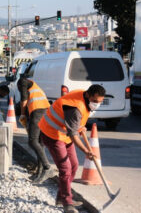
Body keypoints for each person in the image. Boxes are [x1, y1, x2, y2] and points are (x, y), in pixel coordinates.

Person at [38, 84, 105, 213]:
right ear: (87, 95)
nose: (97, 104)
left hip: (64, 135)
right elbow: (74, 134)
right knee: (65, 169)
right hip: (52, 134)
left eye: (100, 102)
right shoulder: (75, 108)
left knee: (73, 166)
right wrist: (86, 151)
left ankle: (60, 198)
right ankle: (67, 203)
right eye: (95, 101)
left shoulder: (82, 95)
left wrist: (80, 126)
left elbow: (74, 123)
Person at [17, 77, 52, 184]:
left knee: (32, 141)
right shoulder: (34, 86)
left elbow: (24, 100)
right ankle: (40, 172)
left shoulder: (22, 82)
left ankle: (47, 167)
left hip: (38, 112)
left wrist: (22, 114)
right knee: (40, 143)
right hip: (46, 112)